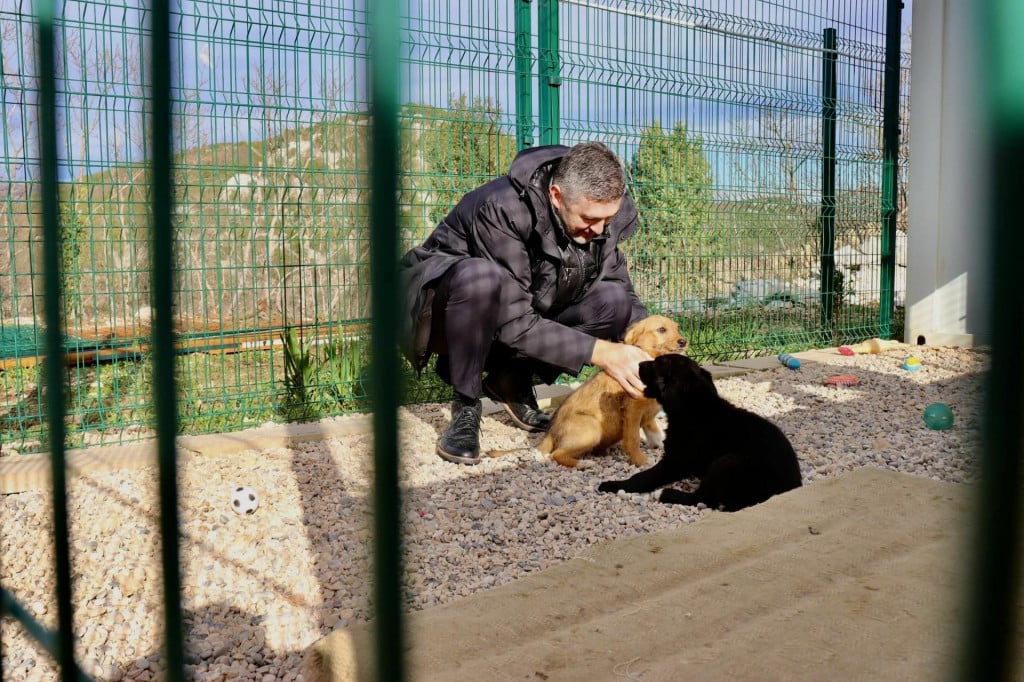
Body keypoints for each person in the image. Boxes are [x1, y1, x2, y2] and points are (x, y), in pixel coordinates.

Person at [399, 141, 653, 464]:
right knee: (481, 278)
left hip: (515, 311)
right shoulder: (501, 208)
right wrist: (603, 353)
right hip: (443, 315)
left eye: (608, 219)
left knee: (613, 301)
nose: (601, 230)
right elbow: (515, 321)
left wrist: (653, 356)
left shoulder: (599, 221)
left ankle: (510, 379)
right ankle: (465, 405)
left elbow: (622, 291)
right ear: (557, 196)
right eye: (591, 219)